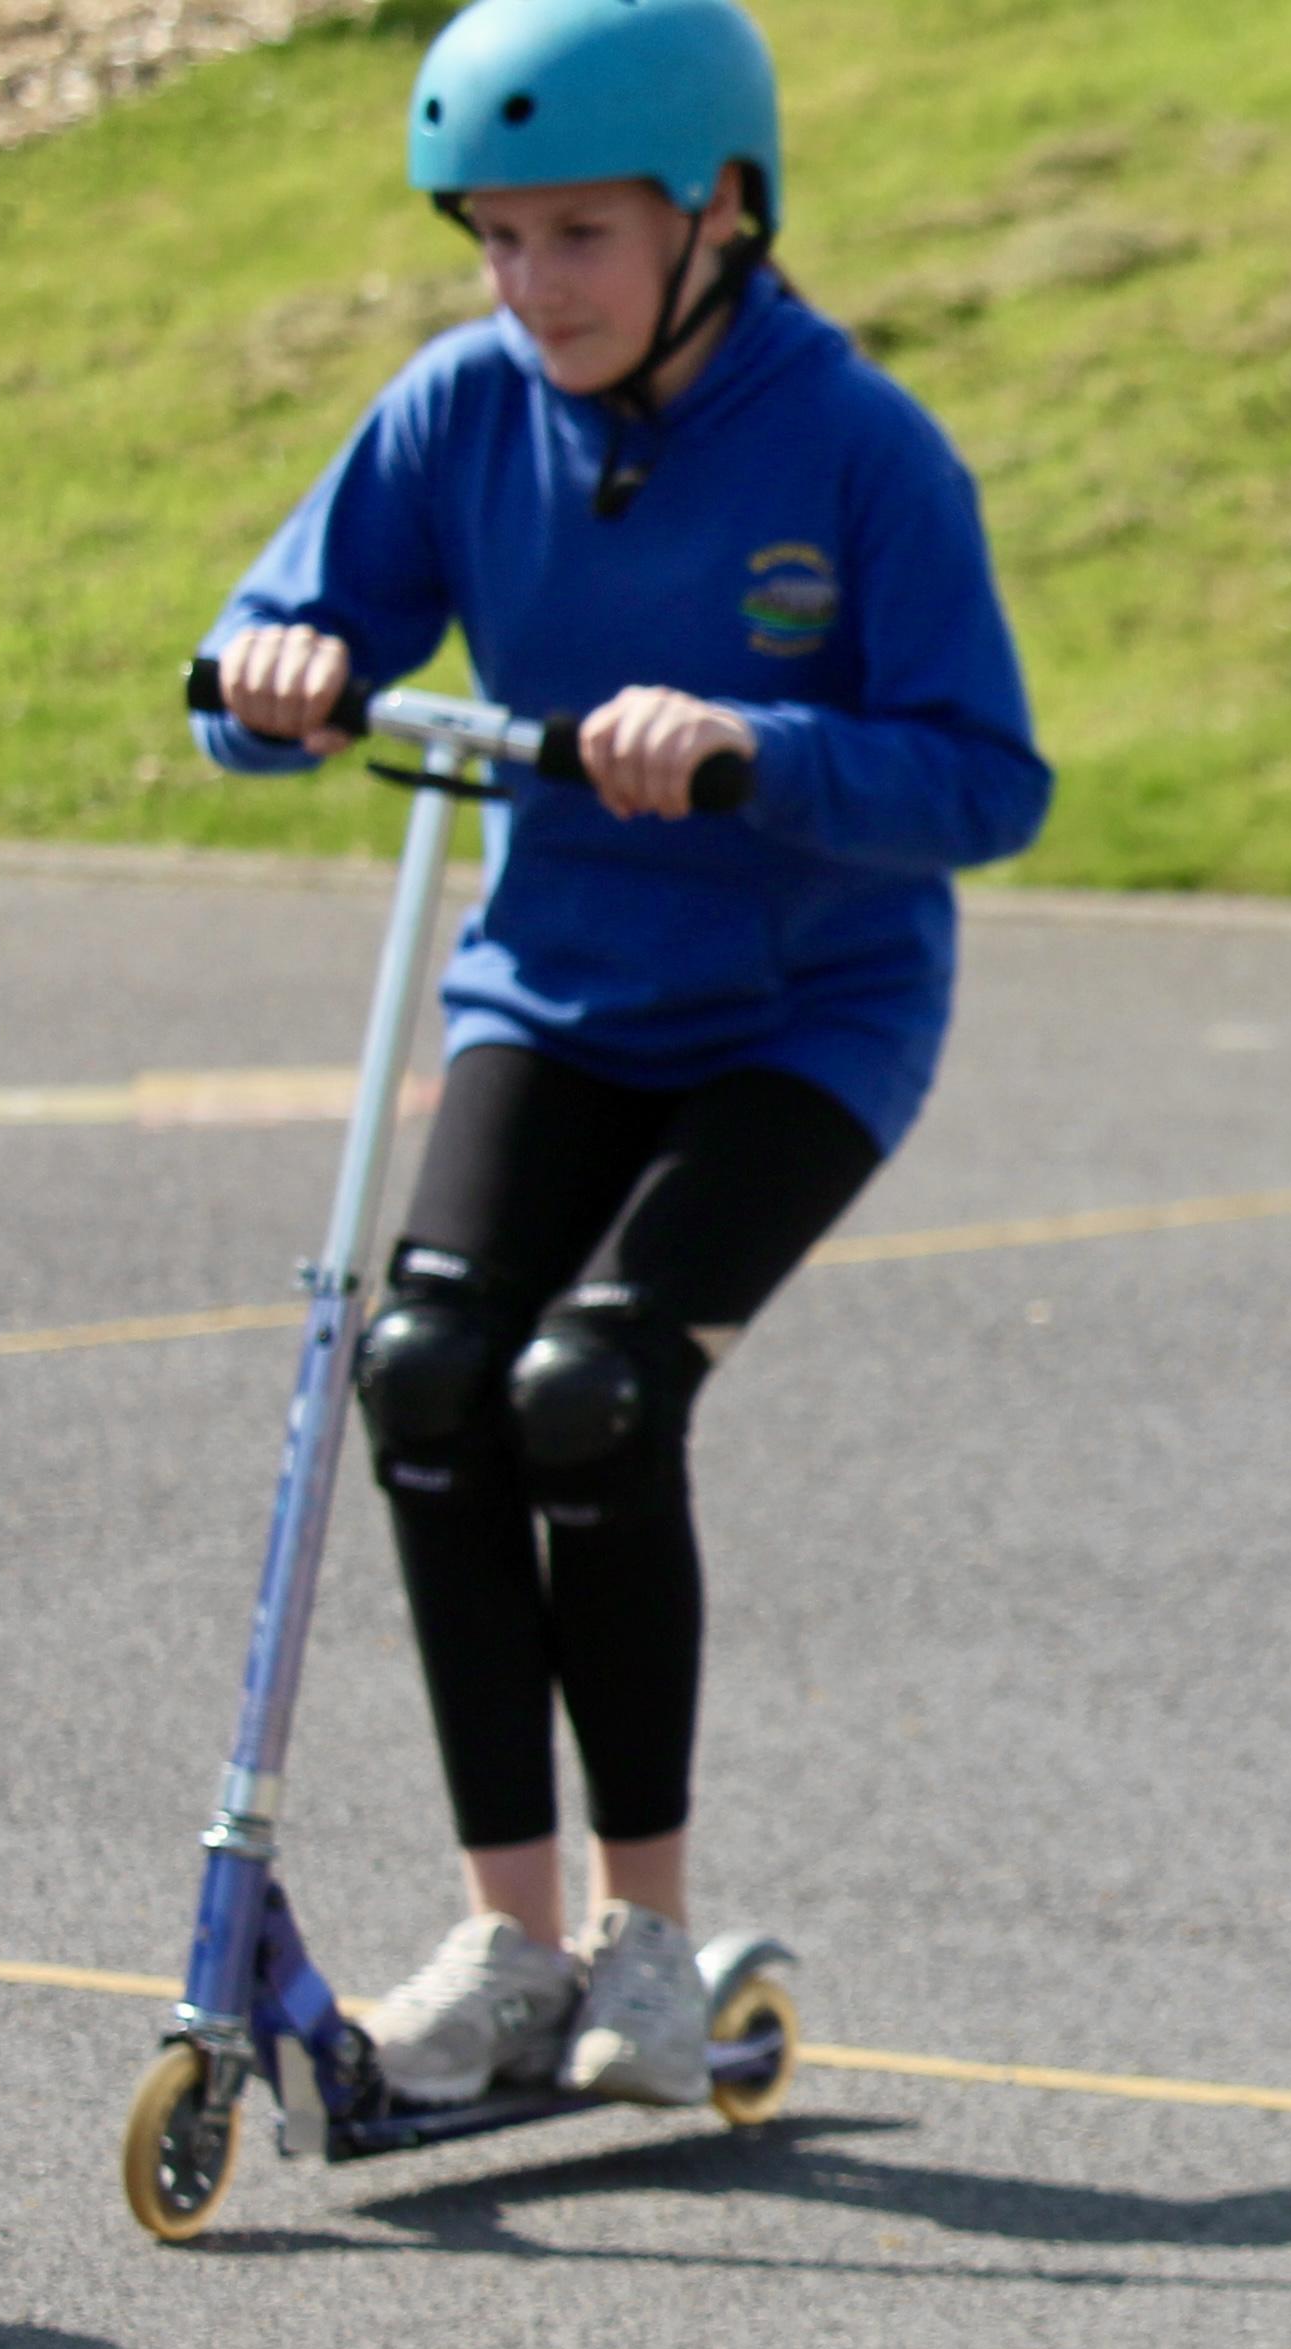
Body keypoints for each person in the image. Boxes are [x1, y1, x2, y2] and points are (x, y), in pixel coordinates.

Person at [195, 0, 1047, 2105]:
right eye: (495, 239)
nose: (532, 285)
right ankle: (507, 1942)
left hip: (800, 1018)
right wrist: (278, 674)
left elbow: (987, 781)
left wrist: (761, 743)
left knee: (589, 1395)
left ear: (719, 211)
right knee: (423, 1372)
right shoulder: (458, 409)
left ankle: (643, 1943)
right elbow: (267, 655)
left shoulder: (858, 444)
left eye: (579, 233)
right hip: (554, 989)